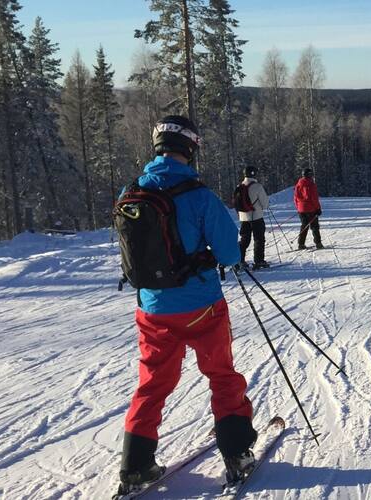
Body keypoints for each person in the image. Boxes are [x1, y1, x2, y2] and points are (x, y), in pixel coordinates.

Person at [117, 116, 257, 494]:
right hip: (202, 306)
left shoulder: (130, 192)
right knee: (221, 374)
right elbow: (229, 252)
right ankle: (236, 451)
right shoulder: (199, 195)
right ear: (190, 149)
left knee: (152, 383)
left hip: (151, 308)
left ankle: (135, 465)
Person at [236, 166, 270, 269]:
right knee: (259, 239)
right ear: (254, 174)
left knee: (244, 239)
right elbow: (265, 204)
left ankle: (239, 260)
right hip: (256, 216)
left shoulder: (240, 186)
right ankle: (259, 261)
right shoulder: (257, 186)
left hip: (243, 217)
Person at [293, 168, 324, 250]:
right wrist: (318, 208)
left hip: (301, 209)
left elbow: (295, 198)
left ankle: (301, 244)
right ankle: (318, 243)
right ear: (309, 175)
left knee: (304, 225)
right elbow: (314, 198)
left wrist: (298, 208)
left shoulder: (298, 184)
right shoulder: (311, 184)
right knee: (314, 226)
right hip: (311, 209)